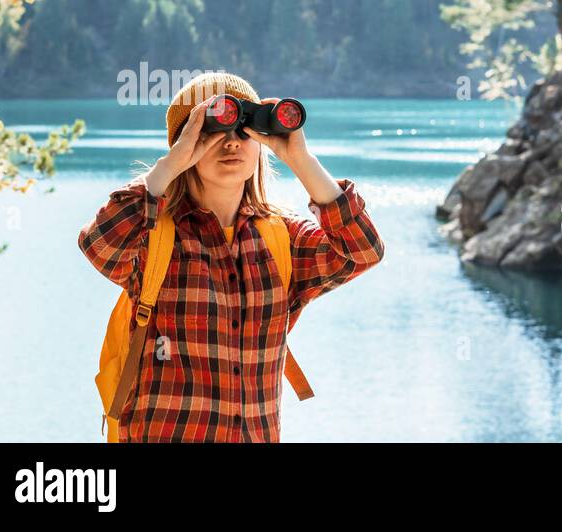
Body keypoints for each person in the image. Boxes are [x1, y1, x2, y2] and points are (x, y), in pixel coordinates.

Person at [77, 73, 384, 442]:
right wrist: (169, 166)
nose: (231, 144)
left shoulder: (280, 240)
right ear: (185, 144)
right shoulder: (153, 236)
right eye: (212, 132)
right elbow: (100, 245)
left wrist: (299, 158)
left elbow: (362, 250)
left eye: (245, 131)